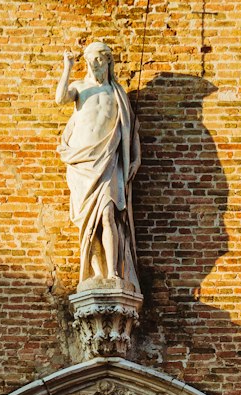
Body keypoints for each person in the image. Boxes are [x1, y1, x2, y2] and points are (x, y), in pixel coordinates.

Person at [56, 42, 141, 289]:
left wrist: (135, 158)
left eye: (99, 60)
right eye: (90, 60)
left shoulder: (118, 94)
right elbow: (60, 98)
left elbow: (130, 128)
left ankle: (114, 273)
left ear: (108, 63)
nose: (94, 65)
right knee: (87, 224)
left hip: (108, 160)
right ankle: (95, 275)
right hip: (82, 162)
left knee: (107, 214)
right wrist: (67, 68)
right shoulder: (79, 87)